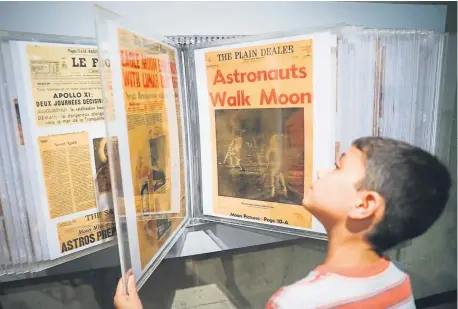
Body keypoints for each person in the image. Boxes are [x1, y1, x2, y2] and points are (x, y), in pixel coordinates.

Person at [114, 136, 451, 309]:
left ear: (364, 204)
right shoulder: (398, 282)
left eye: (337, 166)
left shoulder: (296, 303)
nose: (321, 171)